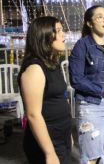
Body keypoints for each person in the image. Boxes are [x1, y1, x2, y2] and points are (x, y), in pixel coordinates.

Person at [69, 5, 104, 164]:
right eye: (99, 16)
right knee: (92, 156)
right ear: (89, 23)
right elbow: (76, 79)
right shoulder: (82, 46)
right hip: (91, 105)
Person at [19, 16, 71, 164]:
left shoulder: (51, 63)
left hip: (60, 138)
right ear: (45, 35)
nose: (64, 35)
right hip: (46, 143)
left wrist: (68, 136)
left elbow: (58, 99)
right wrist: (50, 153)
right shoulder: (35, 68)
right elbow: (33, 114)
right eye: (59, 31)